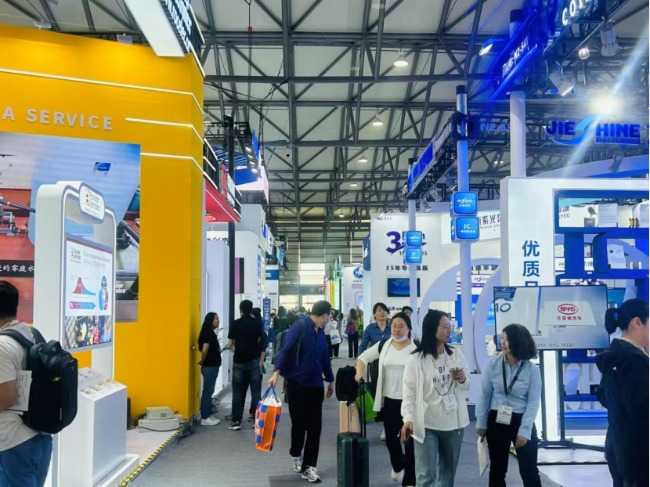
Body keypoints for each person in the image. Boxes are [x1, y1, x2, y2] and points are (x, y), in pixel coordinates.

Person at [401, 309, 470, 487]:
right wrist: (408, 418)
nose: (449, 330)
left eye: (450, 326)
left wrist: (463, 379)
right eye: (445, 327)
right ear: (432, 328)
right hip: (426, 424)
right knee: (425, 476)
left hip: (453, 423)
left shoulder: (456, 354)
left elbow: (466, 386)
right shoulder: (416, 359)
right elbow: (408, 392)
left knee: (448, 475)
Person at [269, 301, 334, 484]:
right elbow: (286, 349)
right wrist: (276, 372)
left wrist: (330, 380)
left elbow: (324, 358)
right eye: (328, 316)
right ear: (322, 315)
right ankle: (296, 453)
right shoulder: (300, 326)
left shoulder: (320, 333)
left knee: (315, 428)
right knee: (299, 425)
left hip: (315, 386)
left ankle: (309, 467)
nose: (328, 320)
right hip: (296, 385)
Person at [476, 323, 542, 487]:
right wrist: (481, 423)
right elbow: (484, 395)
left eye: (506, 339)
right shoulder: (493, 364)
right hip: (497, 420)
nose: (502, 343)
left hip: (522, 419)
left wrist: (524, 431)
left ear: (517, 341)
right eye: (502, 339)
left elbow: (533, 402)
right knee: (497, 470)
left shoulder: (531, 369)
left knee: (529, 470)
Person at [0, 281, 52, 486]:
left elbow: (6, 397)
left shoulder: (2, 345)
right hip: (38, 434)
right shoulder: (31, 334)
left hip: (11, 442)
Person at [356, 312, 417, 486]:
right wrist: (359, 374)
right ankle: (398, 465)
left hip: (410, 402)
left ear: (409, 328)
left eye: (401, 326)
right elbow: (363, 358)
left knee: (411, 443)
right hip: (389, 401)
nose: (397, 329)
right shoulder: (384, 345)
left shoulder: (416, 349)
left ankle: (410, 481)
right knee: (391, 440)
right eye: (394, 326)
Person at [597, 298, 648, 487]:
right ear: (637, 323)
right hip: (638, 448)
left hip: (618, 443)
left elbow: (604, 397)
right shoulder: (634, 360)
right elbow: (641, 406)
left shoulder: (615, 355)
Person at [227, 300, 266, 431]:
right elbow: (260, 341)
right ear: (251, 309)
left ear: (241, 310)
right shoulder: (257, 323)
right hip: (254, 361)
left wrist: (237, 349)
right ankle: (257, 420)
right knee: (256, 393)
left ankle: (236, 421)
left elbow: (231, 343)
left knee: (237, 393)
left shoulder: (235, 323)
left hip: (238, 361)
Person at [198, 312, 222, 426]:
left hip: (212, 366)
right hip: (209, 366)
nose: (218, 321)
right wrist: (202, 361)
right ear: (210, 320)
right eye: (216, 319)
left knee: (209, 390)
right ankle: (205, 417)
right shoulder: (207, 332)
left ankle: (207, 414)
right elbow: (205, 349)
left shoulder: (209, 332)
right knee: (208, 391)